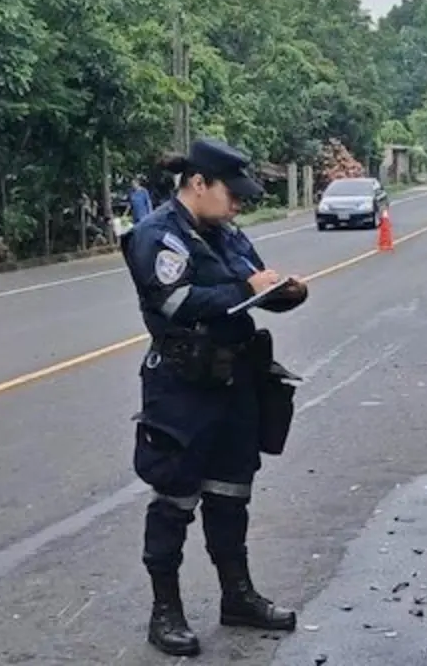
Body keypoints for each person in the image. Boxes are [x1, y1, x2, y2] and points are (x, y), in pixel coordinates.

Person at [119, 137, 309, 657]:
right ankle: (166, 612)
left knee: (231, 492)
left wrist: (286, 293)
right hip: (181, 386)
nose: (239, 204)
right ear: (198, 184)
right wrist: (248, 291)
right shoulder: (157, 235)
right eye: (232, 193)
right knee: (174, 499)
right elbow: (179, 303)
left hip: (234, 380)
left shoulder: (226, 233)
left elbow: (256, 287)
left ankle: (237, 597)